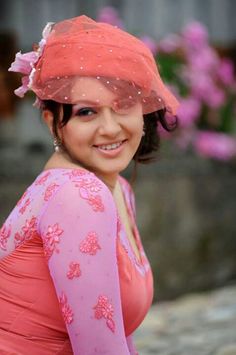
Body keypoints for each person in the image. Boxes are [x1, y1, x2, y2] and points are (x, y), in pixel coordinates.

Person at [0, 15, 179, 354]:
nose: (110, 128)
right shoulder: (77, 196)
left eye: (124, 105)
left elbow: (117, 333)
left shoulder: (116, 189)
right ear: (53, 123)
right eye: (86, 112)